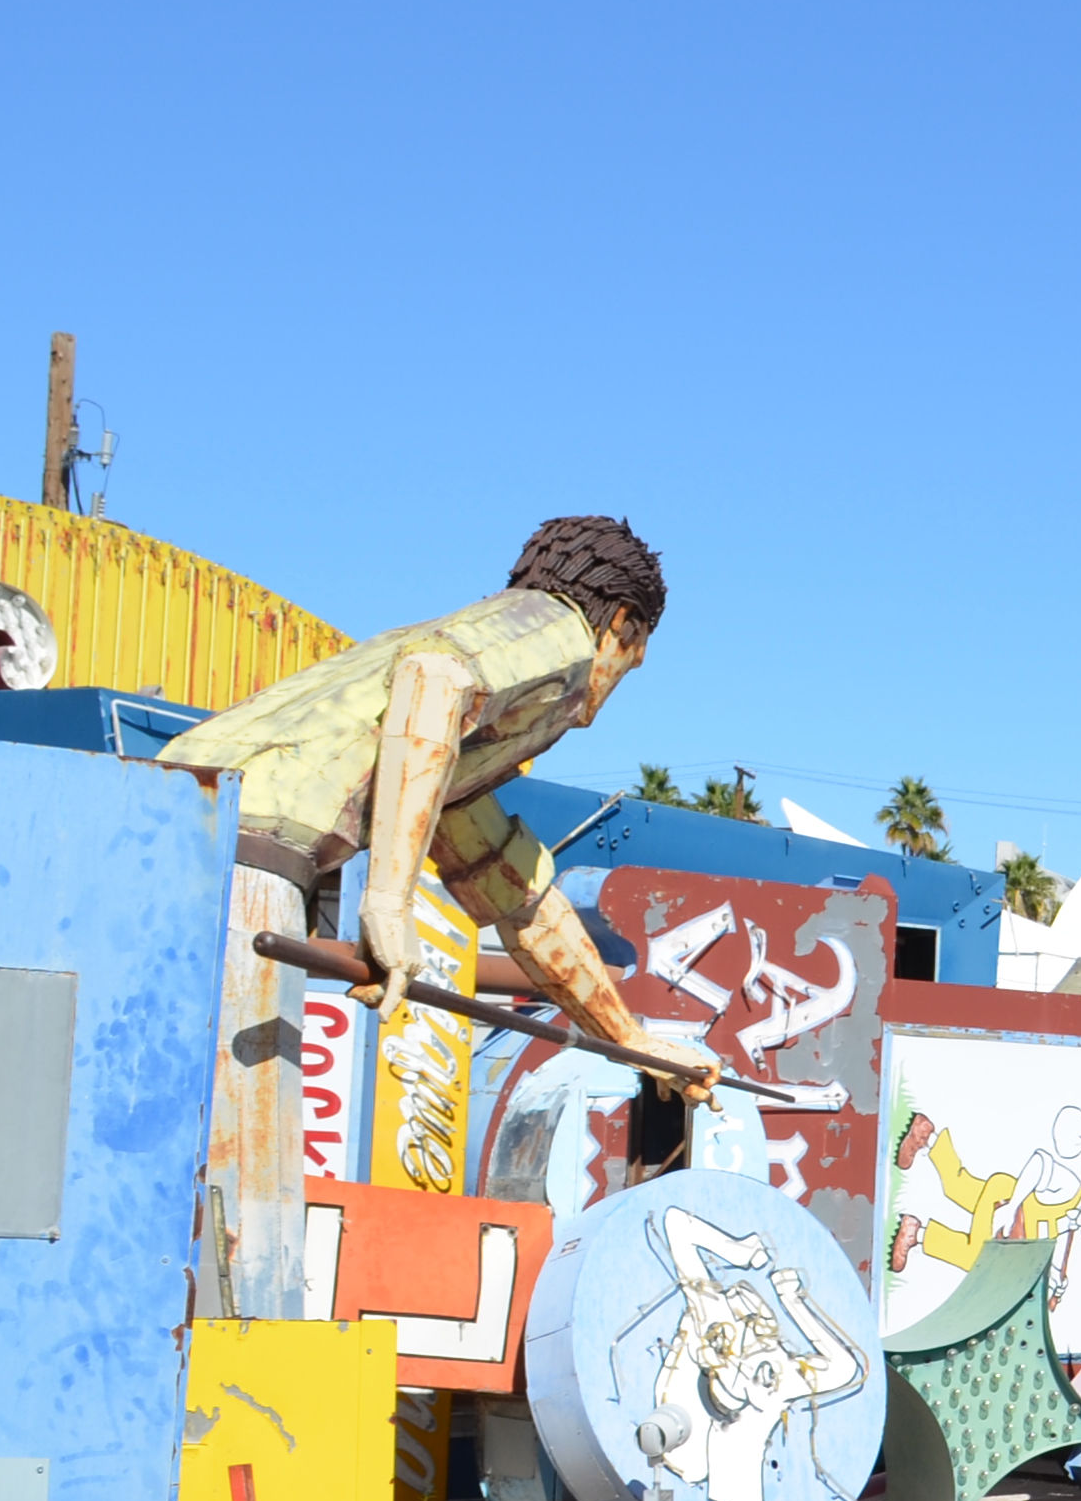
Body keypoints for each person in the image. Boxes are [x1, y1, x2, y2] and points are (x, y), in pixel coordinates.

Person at [160, 516, 712, 1313]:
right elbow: (436, 680)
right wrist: (387, 898)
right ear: (619, 627)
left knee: (198, 1157)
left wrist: (625, 1037)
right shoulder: (550, 630)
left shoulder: (463, 738)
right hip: (242, 847)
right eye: (630, 665)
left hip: (194, 827)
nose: (608, 694)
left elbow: (515, 893)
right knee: (242, 1185)